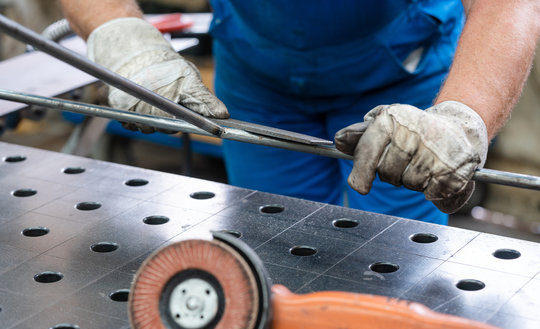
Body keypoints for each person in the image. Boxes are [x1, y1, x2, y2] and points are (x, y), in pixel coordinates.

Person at [60, 0, 540, 225]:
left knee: (399, 261)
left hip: (405, 82)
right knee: (278, 248)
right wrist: (126, 45)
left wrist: (462, 118)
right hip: (259, 74)